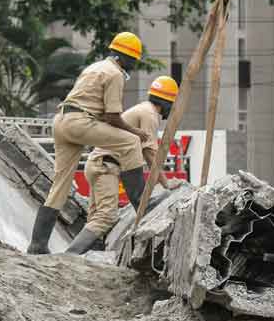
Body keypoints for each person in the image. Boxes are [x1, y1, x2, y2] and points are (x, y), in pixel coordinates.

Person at [27, 33, 147, 255]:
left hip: (62, 122)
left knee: (60, 186)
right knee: (130, 142)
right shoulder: (115, 74)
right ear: (126, 58)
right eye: (134, 61)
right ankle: (140, 199)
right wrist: (136, 132)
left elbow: (96, 110)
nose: (134, 66)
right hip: (79, 123)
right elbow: (112, 117)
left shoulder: (95, 67)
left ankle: (37, 245)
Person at [65, 76, 184, 255]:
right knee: (106, 217)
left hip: (98, 163)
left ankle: (84, 260)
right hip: (105, 166)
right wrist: (167, 184)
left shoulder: (142, 109)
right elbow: (150, 153)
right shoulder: (150, 115)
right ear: (167, 103)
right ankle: (70, 256)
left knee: (96, 218)